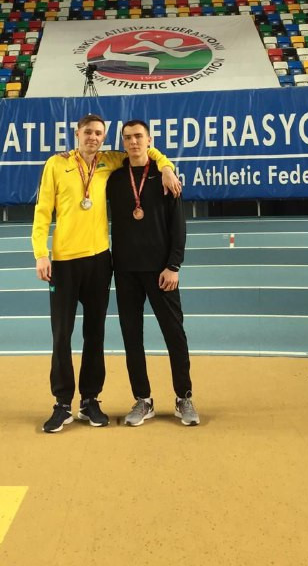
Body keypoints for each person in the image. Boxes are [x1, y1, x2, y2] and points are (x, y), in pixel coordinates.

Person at [32, 113, 181, 434]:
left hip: (100, 261)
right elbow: (42, 211)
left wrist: (167, 166)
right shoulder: (56, 164)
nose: (93, 137)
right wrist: (41, 253)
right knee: (62, 335)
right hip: (64, 263)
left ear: (104, 137)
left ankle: (90, 400)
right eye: (88, 132)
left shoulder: (109, 161)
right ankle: (62, 403)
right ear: (77, 133)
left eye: (99, 133)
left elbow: (145, 150)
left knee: (95, 334)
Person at [106, 119, 199, 427]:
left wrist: (174, 265)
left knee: (174, 334)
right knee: (132, 337)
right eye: (128, 138)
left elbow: (178, 225)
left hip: (161, 272)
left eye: (138, 136)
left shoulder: (164, 176)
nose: (133, 142)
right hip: (125, 272)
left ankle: (184, 396)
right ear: (123, 142)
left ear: (149, 140)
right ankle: (142, 399)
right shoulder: (114, 178)